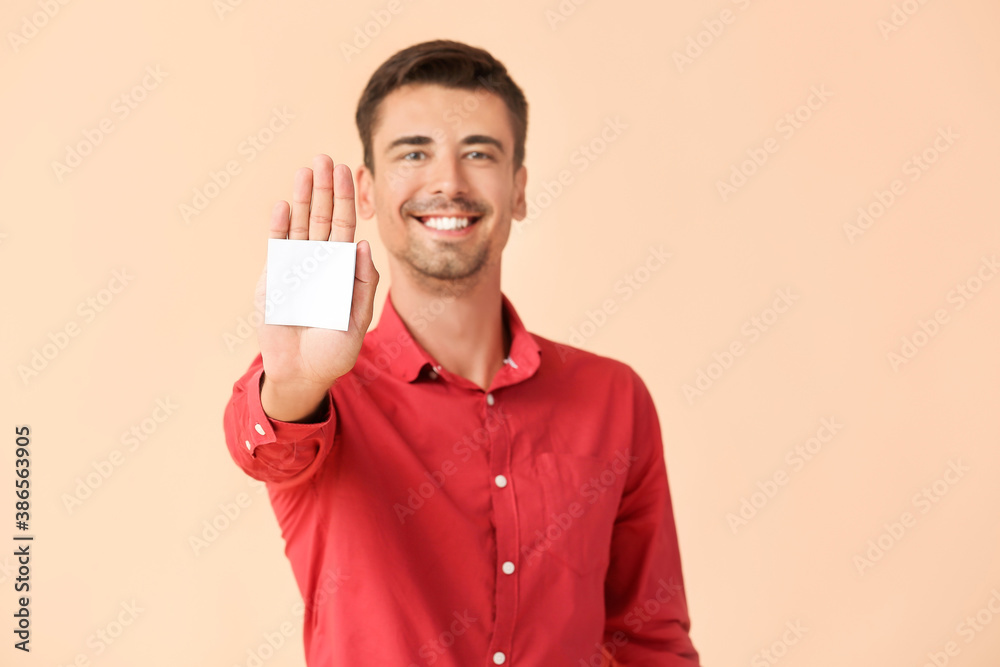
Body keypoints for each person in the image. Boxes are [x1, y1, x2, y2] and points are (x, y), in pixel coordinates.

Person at [222, 39, 700, 667]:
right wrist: (294, 381)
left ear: (518, 189)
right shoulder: (321, 392)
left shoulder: (614, 397)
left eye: (478, 152)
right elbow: (268, 447)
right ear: (365, 191)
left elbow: (649, 640)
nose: (447, 182)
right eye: (413, 152)